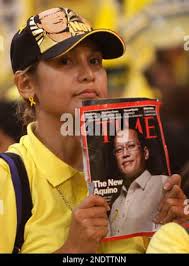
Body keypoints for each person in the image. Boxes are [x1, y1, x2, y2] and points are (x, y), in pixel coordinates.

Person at [0, 6, 188, 254]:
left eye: (95, 61)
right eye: (65, 61)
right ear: (26, 84)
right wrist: (72, 250)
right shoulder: (8, 178)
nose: (88, 74)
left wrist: (173, 231)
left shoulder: (140, 168)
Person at [109, 128, 168, 236]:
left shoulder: (164, 184)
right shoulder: (116, 203)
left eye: (131, 146)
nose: (125, 154)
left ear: (145, 153)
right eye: (119, 150)